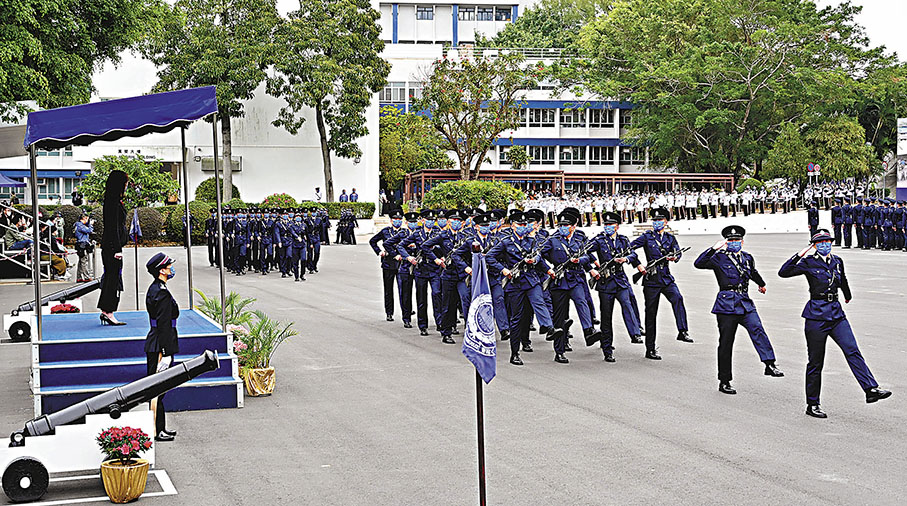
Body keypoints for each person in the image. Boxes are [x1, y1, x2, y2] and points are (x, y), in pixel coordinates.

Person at [778, 229, 892, 418]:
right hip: (816, 316)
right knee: (816, 362)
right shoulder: (808, 262)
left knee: (852, 350)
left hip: (836, 314)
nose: (825, 245)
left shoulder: (837, 261)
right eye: (820, 242)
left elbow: (842, 279)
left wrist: (847, 295)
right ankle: (812, 404)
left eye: (828, 241)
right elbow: (783, 273)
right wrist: (800, 254)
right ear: (814, 245)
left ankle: (870, 389)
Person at [694, 225, 784, 395]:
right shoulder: (718, 257)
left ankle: (769, 364)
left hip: (744, 301)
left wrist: (761, 284)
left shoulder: (747, 257)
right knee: (726, 342)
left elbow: (752, 272)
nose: (734, 242)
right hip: (726, 304)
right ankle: (724, 380)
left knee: (758, 329)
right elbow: (698, 264)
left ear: (742, 242)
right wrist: (713, 249)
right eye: (731, 240)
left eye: (737, 240)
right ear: (726, 242)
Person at [487, 211, 564, 365]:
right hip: (515, 283)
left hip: (531, 280)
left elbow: (538, 259)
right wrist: (503, 270)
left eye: (524, 224)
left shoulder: (532, 241)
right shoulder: (506, 242)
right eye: (520, 224)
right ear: (513, 226)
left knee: (539, 301)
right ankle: (515, 353)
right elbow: (489, 256)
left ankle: (549, 327)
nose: (523, 226)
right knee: (517, 319)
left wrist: (548, 270)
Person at [630, 207, 691, 360]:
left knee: (678, 298)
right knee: (651, 314)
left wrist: (675, 257)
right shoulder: (646, 237)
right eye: (655, 220)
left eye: (659, 220)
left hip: (666, 277)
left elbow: (677, 252)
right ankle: (650, 349)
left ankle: (682, 331)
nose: (656, 223)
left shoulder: (670, 238)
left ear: (665, 222)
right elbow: (629, 248)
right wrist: (638, 264)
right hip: (651, 279)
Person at [587, 211, 642, 362]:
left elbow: (633, 254)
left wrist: (626, 259)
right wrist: (593, 265)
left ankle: (635, 333)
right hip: (606, 283)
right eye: (606, 224)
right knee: (606, 316)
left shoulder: (623, 240)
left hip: (620, 279)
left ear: (617, 226)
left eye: (611, 224)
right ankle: (607, 349)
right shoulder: (599, 240)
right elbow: (585, 250)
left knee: (627, 303)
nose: (608, 227)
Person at [144, 252, 179, 442]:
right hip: (159, 344)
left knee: (160, 388)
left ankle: (160, 427)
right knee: (157, 390)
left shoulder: (158, 288)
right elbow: (164, 323)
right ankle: (156, 430)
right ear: (162, 270)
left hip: (158, 341)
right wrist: (166, 352)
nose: (171, 268)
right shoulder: (161, 292)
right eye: (168, 266)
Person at [98, 170, 129, 326]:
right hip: (112, 248)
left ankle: (107, 310)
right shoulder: (113, 203)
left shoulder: (113, 201)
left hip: (111, 247)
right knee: (113, 279)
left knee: (111, 278)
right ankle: (109, 311)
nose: (126, 186)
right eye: (125, 183)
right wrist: (117, 249)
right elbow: (112, 227)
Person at [370, 211, 405, 321]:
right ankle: (389, 312)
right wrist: (379, 252)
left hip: (401, 263)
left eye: (399, 220)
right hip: (388, 263)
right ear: (391, 221)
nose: (397, 221)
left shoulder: (405, 232)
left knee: (403, 289)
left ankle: (406, 312)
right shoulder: (386, 231)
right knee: (388, 290)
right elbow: (373, 241)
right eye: (395, 220)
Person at [74, 213, 95, 282]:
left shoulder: (78, 225)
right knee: (84, 261)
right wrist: (91, 224)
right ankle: (86, 276)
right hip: (82, 244)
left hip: (81, 244)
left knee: (81, 261)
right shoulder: (80, 225)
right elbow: (89, 231)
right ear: (84, 218)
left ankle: (79, 277)